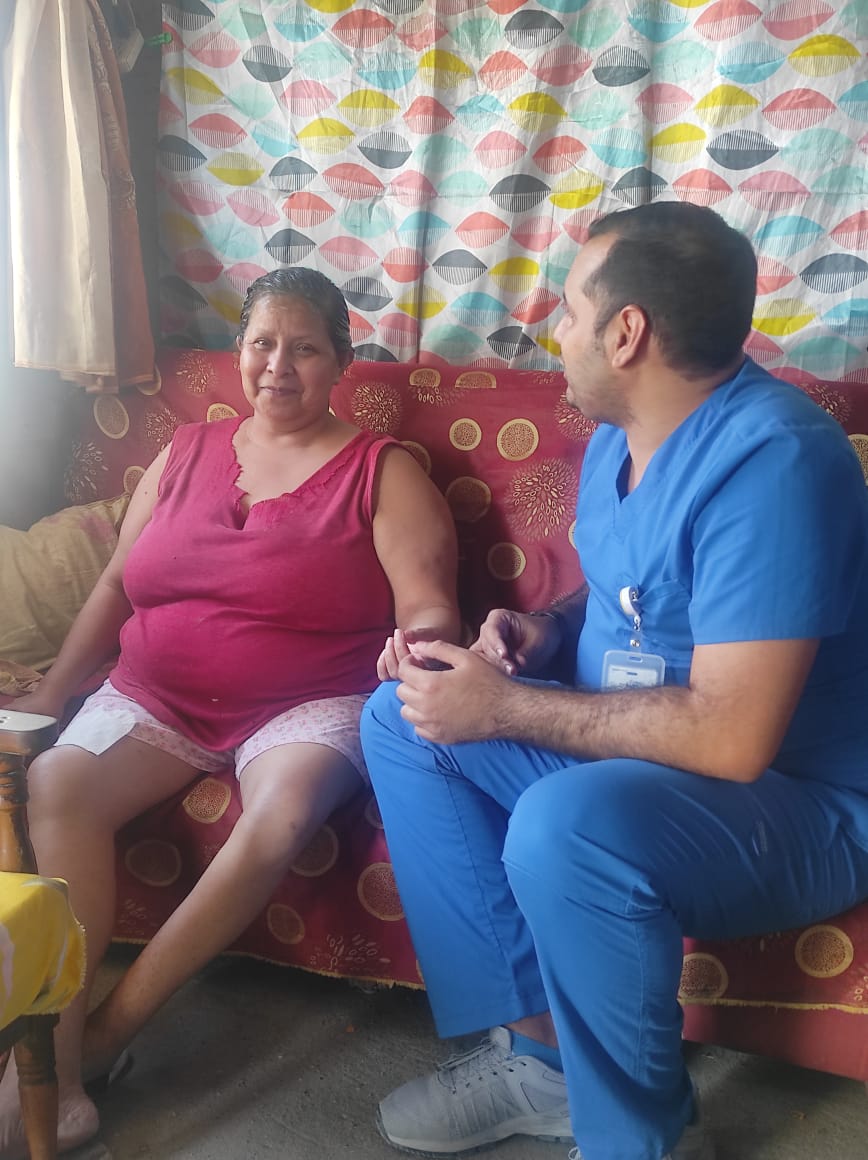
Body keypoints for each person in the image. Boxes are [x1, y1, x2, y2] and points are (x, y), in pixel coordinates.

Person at [360, 202, 868, 1160]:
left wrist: (505, 706)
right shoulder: (620, 435)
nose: (554, 331)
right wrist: (545, 633)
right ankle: (544, 1063)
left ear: (626, 332)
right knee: (405, 714)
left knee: (568, 825)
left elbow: (732, 738)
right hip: (641, 766)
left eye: (568, 309)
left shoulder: (776, 463)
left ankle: (643, 1141)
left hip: (797, 806)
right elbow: (632, 592)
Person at [0, 267, 460, 1158]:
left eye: (304, 348)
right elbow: (115, 583)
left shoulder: (383, 471)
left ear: (342, 362)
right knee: (56, 784)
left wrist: (421, 643)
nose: (278, 366)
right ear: (238, 352)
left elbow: (430, 604)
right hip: (156, 691)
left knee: (281, 811)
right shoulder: (185, 450)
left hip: (308, 700)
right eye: (262, 344)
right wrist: (53, 693)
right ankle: (53, 1068)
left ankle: (106, 1036)